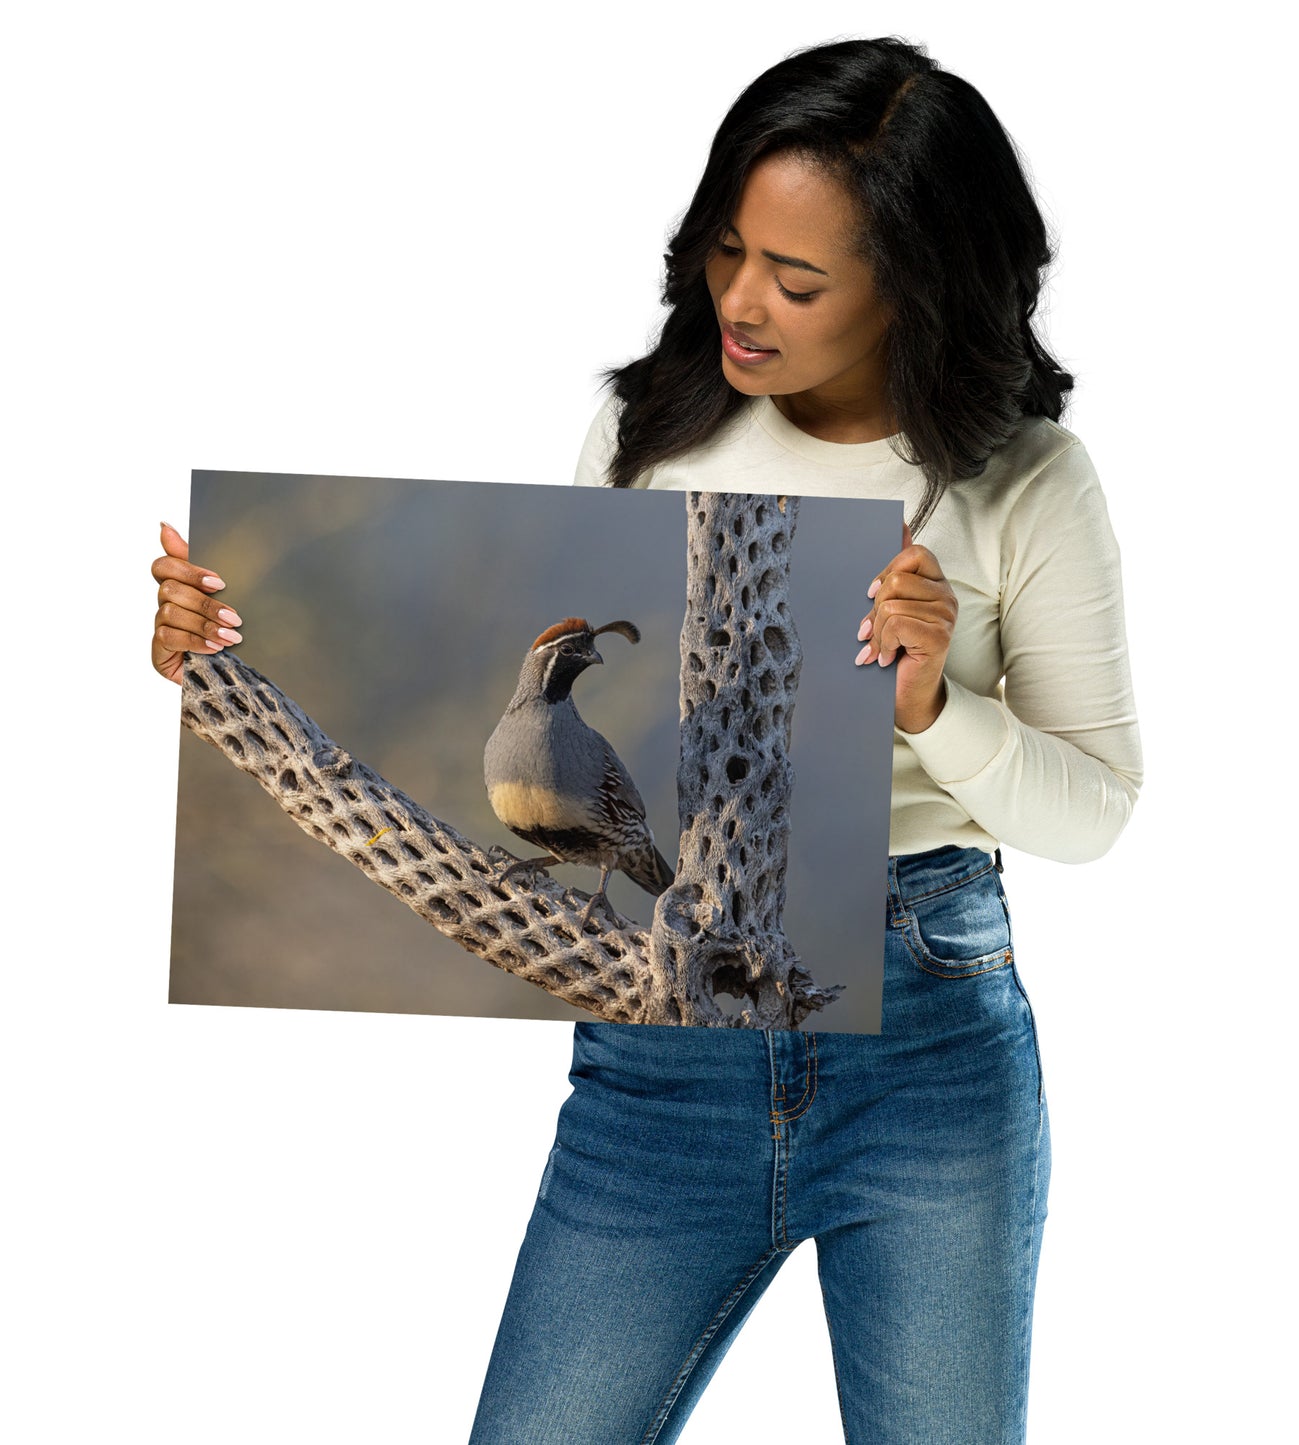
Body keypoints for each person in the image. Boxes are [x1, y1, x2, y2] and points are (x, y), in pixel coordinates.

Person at [151, 36, 1141, 1444]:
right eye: (726, 250)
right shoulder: (643, 428)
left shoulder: (1027, 479)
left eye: (796, 280)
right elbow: (571, 703)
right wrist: (214, 660)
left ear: (915, 286)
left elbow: (1094, 809)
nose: (740, 300)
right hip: (662, 1054)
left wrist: (933, 706)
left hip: (924, 1043)